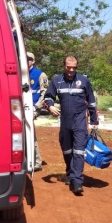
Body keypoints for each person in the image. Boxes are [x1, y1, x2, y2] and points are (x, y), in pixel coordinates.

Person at [43, 55, 98, 194]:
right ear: (64, 66)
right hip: (65, 121)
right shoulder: (57, 80)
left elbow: (91, 101)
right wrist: (50, 106)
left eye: (74, 67)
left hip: (80, 120)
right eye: (69, 67)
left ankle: (77, 182)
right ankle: (70, 173)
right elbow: (48, 96)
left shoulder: (84, 80)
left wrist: (94, 121)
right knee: (67, 150)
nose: (71, 70)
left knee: (79, 151)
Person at [27, 51, 48, 171]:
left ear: (33, 61)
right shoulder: (20, 73)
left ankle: (37, 162)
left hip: (34, 108)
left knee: (29, 132)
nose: (26, 60)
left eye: (29, 58)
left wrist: (36, 108)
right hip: (23, 108)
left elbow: (44, 93)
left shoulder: (40, 74)